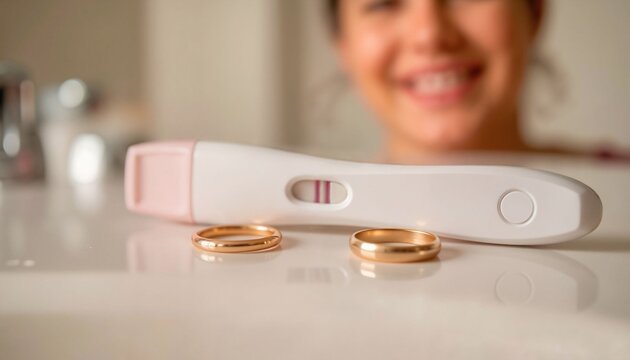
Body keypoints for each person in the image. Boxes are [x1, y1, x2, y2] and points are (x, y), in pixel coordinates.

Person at [325, 0, 548, 162]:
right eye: (384, 4)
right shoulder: (299, 221)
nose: (429, 35)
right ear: (343, 44)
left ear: (535, 13)